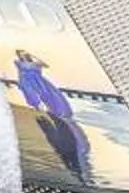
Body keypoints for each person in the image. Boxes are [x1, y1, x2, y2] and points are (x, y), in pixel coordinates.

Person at [14, 48, 90, 182]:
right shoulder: (23, 69)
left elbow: (44, 64)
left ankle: (77, 169)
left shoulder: (33, 65)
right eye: (23, 55)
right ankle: (75, 169)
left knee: (58, 106)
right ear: (20, 57)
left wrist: (33, 56)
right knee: (54, 116)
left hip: (43, 85)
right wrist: (37, 102)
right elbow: (26, 85)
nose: (25, 56)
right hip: (37, 86)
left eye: (26, 54)